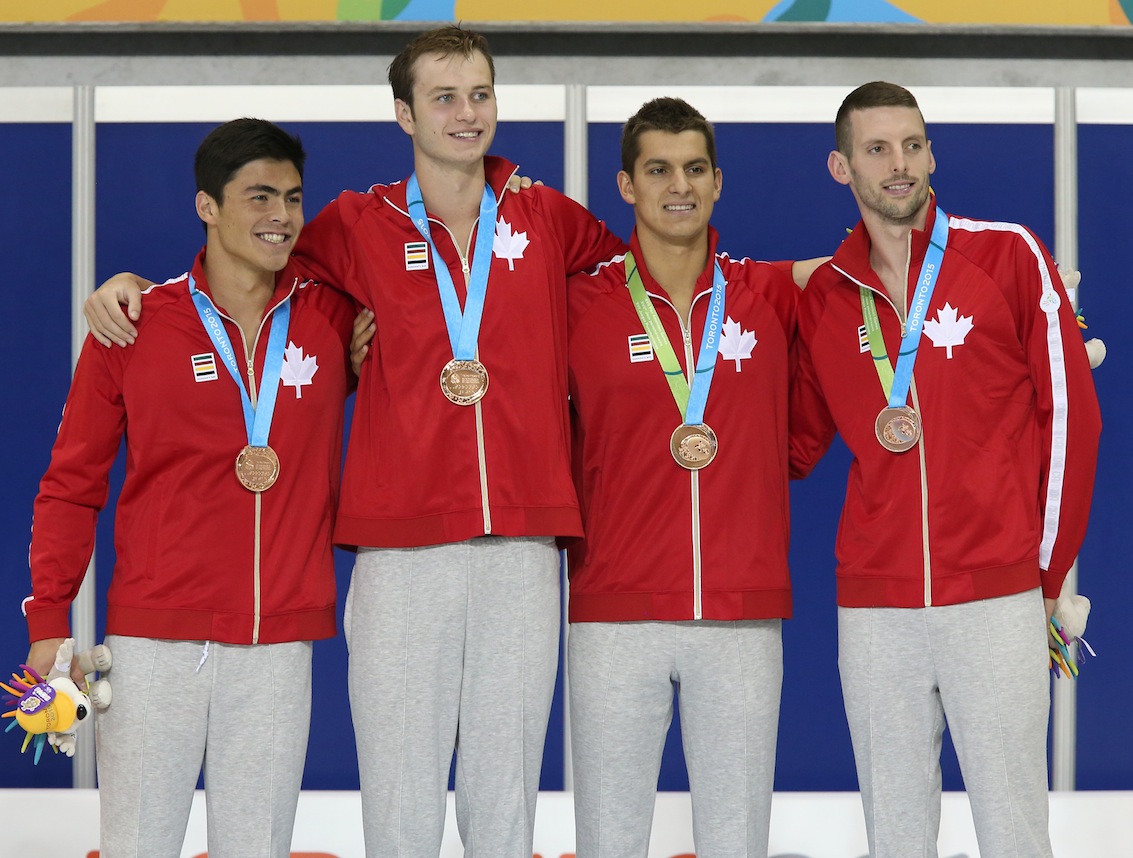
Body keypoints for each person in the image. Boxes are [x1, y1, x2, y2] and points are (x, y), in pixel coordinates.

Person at [85, 25, 624, 858]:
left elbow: (639, 294)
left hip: (523, 544)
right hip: (400, 551)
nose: (466, 113)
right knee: (400, 806)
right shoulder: (352, 223)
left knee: (505, 800)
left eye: (480, 93)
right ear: (403, 114)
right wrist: (133, 287)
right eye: (444, 97)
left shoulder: (547, 215)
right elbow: (243, 275)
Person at [25, 118, 357, 857]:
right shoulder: (134, 324)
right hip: (153, 644)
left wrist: (505, 183)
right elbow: (72, 484)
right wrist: (49, 621)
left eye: (293, 199)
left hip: (278, 642)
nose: (280, 217)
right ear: (207, 206)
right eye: (258, 197)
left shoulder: (331, 315)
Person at [789, 81, 1101, 858]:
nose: (900, 165)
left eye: (913, 144)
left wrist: (1042, 574)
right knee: (893, 833)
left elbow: (1071, 418)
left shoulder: (1005, 253)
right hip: (874, 607)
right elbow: (792, 446)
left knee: (1013, 830)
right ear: (840, 166)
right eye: (877, 149)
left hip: (995, 593)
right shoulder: (827, 295)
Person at [565, 97, 797, 857]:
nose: (679, 186)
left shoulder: (767, 296)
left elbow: (880, 281)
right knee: (609, 838)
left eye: (694, 169)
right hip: (614, 612)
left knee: (737, 840)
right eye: (658, 169)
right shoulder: (575, 304)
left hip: (739, 613)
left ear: (718, 181)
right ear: (626, 186)